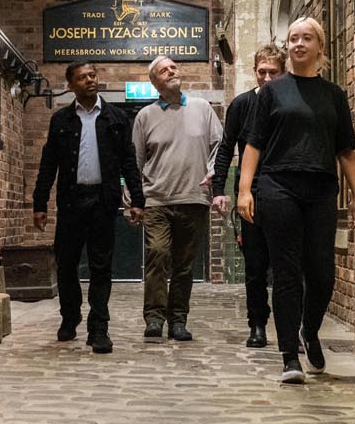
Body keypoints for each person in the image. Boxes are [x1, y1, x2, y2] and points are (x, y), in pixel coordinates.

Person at [237, 17, 355, 384]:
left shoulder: (333, 96)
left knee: (322, 273)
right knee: (287, 271)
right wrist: (245, 190)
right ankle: (289, 355)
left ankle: (310, 331)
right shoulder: (273, 93)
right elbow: (253, 144)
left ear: (319, 47)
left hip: (321, 188)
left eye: (306, 38)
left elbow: (346, 150)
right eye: (293, 38)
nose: (298, 44)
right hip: (278, 187)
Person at [32, 61, 145, 354]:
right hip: (71, 202)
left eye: (93, 75)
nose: (90, 81)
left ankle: (99, 328)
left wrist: (137, 200)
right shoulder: (61, 120)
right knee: (66, 263)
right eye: (82, 78)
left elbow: (128, 162)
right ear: (71, 85)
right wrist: (39, 203)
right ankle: (70, 317)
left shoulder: (115, 118)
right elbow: (48, 164)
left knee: (101, 266)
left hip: (102, 202)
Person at [132, 54, 223, 341]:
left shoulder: (202, 108)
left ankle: (179, 319)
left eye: (174, 67)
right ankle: (155, 318)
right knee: (158, 255)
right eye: (163, 70)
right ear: (154, 81)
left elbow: (219, 146)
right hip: (156, 199)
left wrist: (212, 174)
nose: (171, 71)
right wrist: (132, 202)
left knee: (184, 264)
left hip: (193, 197)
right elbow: (134, 161)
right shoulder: (145, 116)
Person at [211, 43, 285, 348]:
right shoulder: (242, 105)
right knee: (254, 265)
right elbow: (227, 147)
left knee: (285, 264)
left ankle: (291, 325)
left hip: (284, 191)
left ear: (283, 72)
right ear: (254, 71)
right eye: (262, 71)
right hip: (251, 192)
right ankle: (257, 324)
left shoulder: (289, 102)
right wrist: (219, 189)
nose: (266, 78)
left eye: (273, 72)